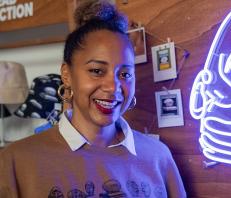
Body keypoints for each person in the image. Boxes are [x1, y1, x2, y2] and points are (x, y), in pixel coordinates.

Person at [0, 0, 186, 197]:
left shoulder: (158, 157)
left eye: (125, 74)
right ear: (67, 75)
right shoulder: (17, 161)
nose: (113, 87)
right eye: (97, 71)